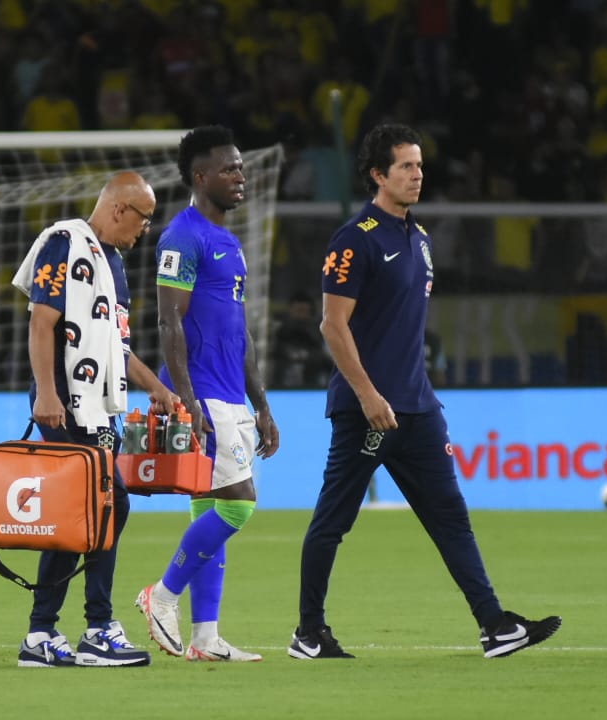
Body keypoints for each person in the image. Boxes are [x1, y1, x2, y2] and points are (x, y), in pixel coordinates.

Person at [290, 123, 561, 660]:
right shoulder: (355, 239)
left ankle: (495, 625)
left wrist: (414, 393)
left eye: (419, 165)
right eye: (406, 167)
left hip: (418, 408)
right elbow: (332, 326)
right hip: (367, 412)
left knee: (450, 518)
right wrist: (367, 396)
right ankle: (309, 632)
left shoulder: (420, 239)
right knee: (333, 522)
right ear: (377, 175)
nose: (418, 175)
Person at [9, 170, 177, 668]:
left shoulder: (115, 265)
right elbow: (42, 322)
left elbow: (115, 348)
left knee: (84, 513)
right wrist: (44, 392)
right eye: (144, 218)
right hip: (62, 401)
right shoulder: (63, 242)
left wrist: (156, 386)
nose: (145, 229)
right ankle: (94, 627)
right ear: (121, 209)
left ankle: (45, 635)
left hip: (102, 406)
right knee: (103, 505)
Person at [134, 125, 279, 663]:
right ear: (200, 177)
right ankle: (161, 596)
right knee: (239, 507)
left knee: (210, 512)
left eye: (241, 167)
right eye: (228, 168)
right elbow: (169, 322)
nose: (240, 176)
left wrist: (261, 403)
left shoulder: (231, 244)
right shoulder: (182, 237)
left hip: (231, 397)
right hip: (203, 397)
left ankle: (205, 637)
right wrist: (187, 400)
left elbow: (238, 331)